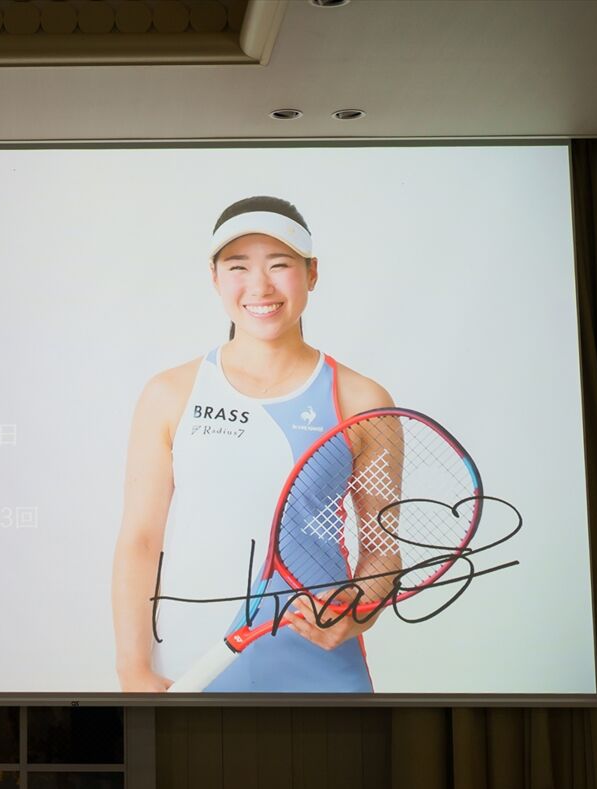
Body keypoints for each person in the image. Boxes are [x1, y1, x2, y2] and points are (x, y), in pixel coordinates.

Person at [111, 196, 396, 692]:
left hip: (322, 668)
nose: (260, 286)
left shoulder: (362, 400)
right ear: (215, 278)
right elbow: (140, 541)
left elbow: (382, 551)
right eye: (238, 266)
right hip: (192, 662)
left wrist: (359, 610)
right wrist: (132, 668)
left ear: (311, 273)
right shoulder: (170, 393)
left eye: (279, 265)